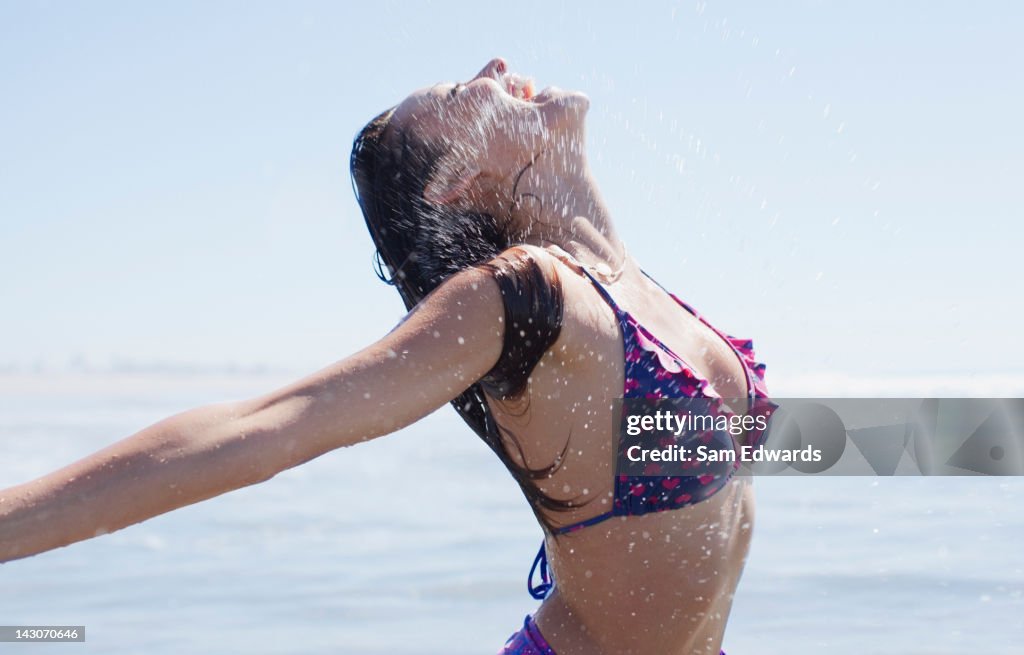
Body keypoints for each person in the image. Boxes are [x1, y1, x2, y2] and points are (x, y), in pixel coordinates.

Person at [0, 57, 770, 654]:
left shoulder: (641, 292)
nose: (498, 69)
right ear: (462, 180)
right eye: (462, 94)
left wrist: (889, 444)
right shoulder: (516, 299)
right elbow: (270, 426)